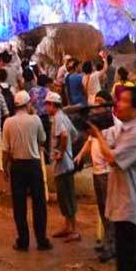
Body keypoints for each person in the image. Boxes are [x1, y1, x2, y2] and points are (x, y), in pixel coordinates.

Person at [89, 87, 136, 271]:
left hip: (131, 204)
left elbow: (112, 159)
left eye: (124, 101)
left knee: (130, 260)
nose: (118, 104)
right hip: (123, 202)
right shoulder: (125, 128)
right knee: (125, 260)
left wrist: (97, 133)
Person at [2, 90, 52, 252]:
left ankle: (23, 241)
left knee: (19, 205)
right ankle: (41, 240)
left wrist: (5, 168)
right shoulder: (35, 120)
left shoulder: (8, 122)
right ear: (27, 104)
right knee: (39, 204)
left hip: (17, 166)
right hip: (34, 165)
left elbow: (6, 150)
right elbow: (42, 139)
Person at [74, 90, 120, 262]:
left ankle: (112, 245)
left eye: (100, 102)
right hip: (97, 172)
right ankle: (108, 241)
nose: (96, 106)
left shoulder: (116, 125)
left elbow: (117, 150)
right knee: (102, 209)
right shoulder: (97, 124)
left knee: (109, 211)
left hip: (108, 173)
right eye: (96, 102)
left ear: (108, 105)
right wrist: (80, 155)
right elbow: (89, 141)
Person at [46, 91, 80, 242]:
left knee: (67, 198)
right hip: (65, 164)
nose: (46, 107)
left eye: (47, 104)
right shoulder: (63, 116)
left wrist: (61, 151)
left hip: (63, 165)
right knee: (64, 198)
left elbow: (65, 135)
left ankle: (73, 230)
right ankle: (67, 227)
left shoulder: (59, 118)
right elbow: (75, 135)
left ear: (53, 105)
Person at [29, 74, 52, 157]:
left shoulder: (32, 90)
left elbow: (30, 103)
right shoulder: (47, 91)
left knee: (35, 138)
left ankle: (36, 155)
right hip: (45, 117)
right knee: (46, 138)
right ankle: (46, 157)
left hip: (35, 117)